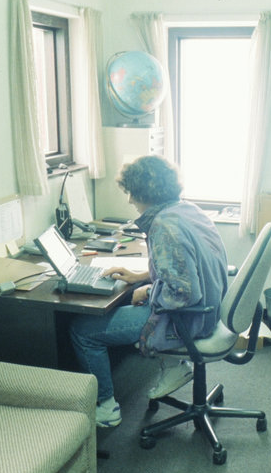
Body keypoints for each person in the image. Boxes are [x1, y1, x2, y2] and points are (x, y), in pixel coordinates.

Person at [69, 155, 228, 428]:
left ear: (145, 193)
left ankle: (106, 407)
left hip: (187, 319)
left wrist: (147, 292)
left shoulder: (164, 226)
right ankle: (174, 365)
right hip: (210, 309)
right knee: (119, 306)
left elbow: (184, 294)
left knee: (83, 330)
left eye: (131, 192)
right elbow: (187, 265)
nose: (130, 200)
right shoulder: (186, 209)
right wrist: (140, 276)